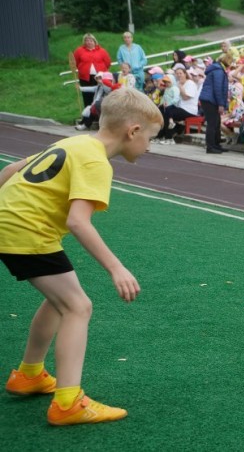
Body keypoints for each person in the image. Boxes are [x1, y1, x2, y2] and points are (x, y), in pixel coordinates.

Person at [0, 88, 163, 425]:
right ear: (132, 131)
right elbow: (77, 221)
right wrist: (115, 267)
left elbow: (14, 168)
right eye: (150, 137)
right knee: (78, 306)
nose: (149, 146)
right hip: (25, 232)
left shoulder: (75, 143)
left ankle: (29, 374)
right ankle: (68, 403)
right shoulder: (96, 162)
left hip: (11, 225)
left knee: (60, 300)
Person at [199, 54, 231, 154]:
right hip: (210, 99)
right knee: (212, 123)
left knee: (216, 122)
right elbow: (218, 89)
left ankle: (216, 144)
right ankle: (210, 146)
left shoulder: (217, 69)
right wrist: (221, 104)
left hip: (209, 99)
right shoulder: (219, 71)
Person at [73, 33, 112, 108]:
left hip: (98, 77)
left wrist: (102, 72)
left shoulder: (102, 51)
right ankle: (88, 112)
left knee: (99, 93)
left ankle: (98, 111)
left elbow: (108, 62)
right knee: (87, 95)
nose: (89, 42)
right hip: (85, 77)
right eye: (87, 40)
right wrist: (82, 69)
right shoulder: (79, 51)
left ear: (94, 41)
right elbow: (75, 62)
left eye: (91, 40)